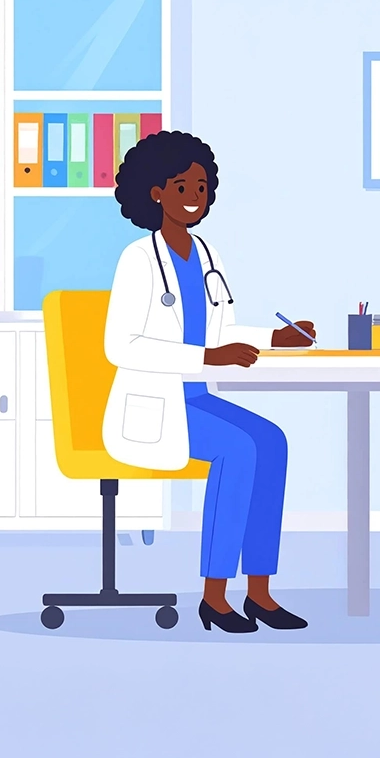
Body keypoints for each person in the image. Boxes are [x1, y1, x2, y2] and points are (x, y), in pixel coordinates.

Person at [102, 130, 316, 634]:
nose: (194, 198)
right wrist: (206, 354)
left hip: (198, 398)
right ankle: (215, 597)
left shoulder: (206, 253)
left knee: (272, 441)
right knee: (239, 450)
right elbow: (121, 346)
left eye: (201, 187)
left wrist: (276, 337)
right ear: (155, 193)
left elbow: (222, 330)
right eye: (181, 187)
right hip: (154, 407)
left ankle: (259, 592)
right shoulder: (138, 259)